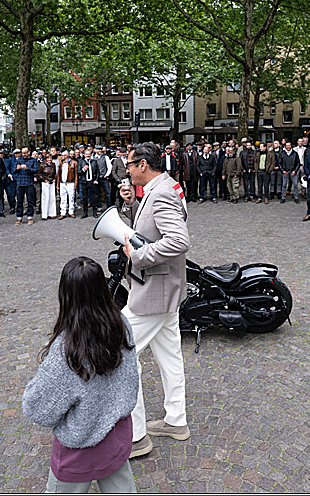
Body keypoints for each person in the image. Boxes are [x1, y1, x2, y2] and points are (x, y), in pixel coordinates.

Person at [22, 257, 139, 493]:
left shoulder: (66, 350)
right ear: (101, 289)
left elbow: (37, 409)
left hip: (78, 451)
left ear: (66, 295)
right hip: (116, 437)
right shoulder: (121, 324)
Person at [117, 143, 191, 459]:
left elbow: (178, 240)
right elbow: (152, 227)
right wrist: (133, 204)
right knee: (170, 355)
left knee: (120, 350)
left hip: (154, 291)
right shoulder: (162, 186)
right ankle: (176, 421)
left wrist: (139, 256)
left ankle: (136, 437)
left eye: (129, 165)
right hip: (165, 288)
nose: (127, 171)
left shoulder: (160, 192)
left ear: (143, 164)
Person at [13, 147, 37, 225]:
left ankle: (30, 217)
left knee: (30, 201)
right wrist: (17, 169)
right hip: (20, 183)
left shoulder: (33, 160)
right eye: (23, 153)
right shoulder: (18, 160)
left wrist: (27, 168)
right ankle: (19, 218)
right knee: (19, 201)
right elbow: (13, 171)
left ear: (29, 152)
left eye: (25, 153)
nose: (24, 154)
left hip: (29, 183)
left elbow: (36, 170)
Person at [38, 150, 58, 221]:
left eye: (50, 158)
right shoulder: (42, 165)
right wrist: (44, 179)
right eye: (48, 158)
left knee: (52, 198)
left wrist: (54, 179)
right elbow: (39, 174)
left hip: (52, 182)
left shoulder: (53, 165)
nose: (49, 160)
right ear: (46, 159)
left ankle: (52, 213)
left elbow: (55, 173)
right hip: (45, 182)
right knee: (45, 198)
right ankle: (44, 214)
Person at [57, 149, 77, 219]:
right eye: (61, 155)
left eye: (63, 155)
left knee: (71, 198)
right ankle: (63, 212)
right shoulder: (61, 163)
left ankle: (71, 211)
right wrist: (58, 184)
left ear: (67, 156)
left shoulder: (73, 163)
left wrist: (75, 184)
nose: (62, 156)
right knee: (63, 198)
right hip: (62, 183)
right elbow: (59, 174)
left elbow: (76, 174)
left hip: (70, 182)